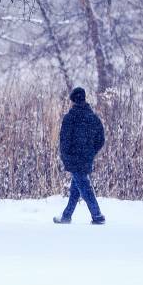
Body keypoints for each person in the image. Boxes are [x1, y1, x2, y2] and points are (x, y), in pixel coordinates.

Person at [54, 87, 107, 225]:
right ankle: (66, 216)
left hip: (73, 158)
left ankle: (97, 215)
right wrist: (91, 152)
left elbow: (64, 141)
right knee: (76, 189)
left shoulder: (69, 118)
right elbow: (101, 139)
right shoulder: (93, 118)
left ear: (72, 100)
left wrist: (65, 157)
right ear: (84, 98)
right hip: (86, 158)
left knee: (84, 186)